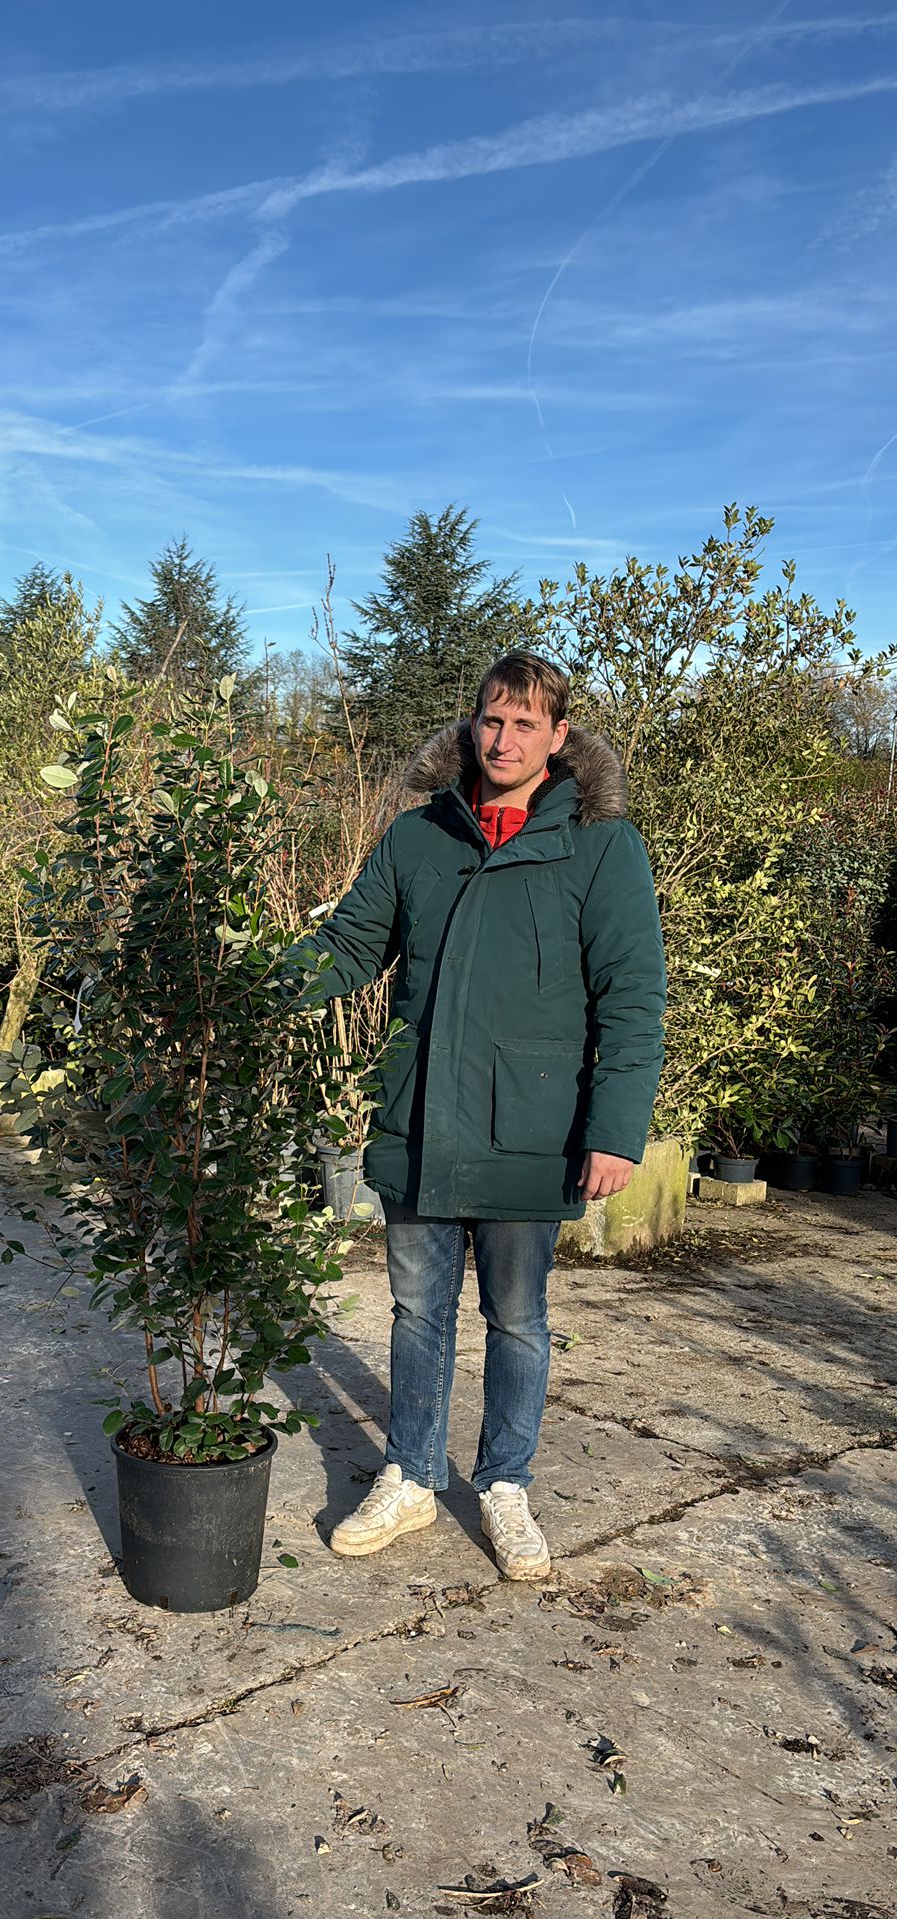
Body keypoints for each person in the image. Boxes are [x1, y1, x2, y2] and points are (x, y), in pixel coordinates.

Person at [308, 650, 666, 1579]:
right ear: (472, 727)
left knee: (517, 1318)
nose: (503, 739)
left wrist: (614, 1130)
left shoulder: (600, 844)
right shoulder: (419, 835)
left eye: (525, 723)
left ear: (559, 737)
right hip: (422, 1116)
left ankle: (505, 1483)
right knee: (417, 1311)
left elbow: (633, 995)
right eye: (490, 720)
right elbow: (351, 946)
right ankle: (412, 1476)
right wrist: (243, 987)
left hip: (531, 1129)